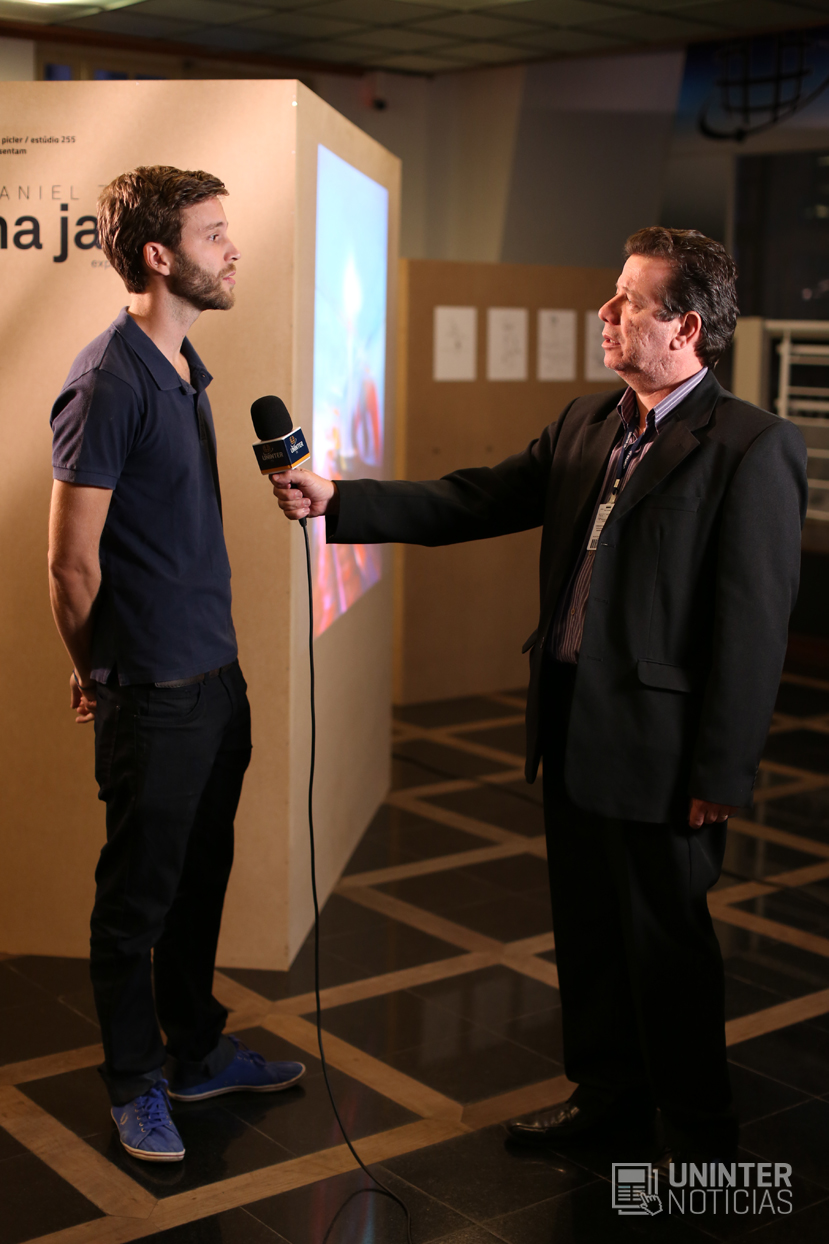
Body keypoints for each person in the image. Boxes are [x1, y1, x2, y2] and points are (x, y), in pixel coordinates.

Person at [272, 228, 807, 1163]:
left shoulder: (750, 445)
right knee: (589, 935)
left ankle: (697, 1137)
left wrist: (722, 771)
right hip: (571, 727)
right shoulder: (586, 424)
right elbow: (475, 498)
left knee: (666, 948)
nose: (606, 311)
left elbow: (753, 627)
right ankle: (606, 1099)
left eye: (629, 300)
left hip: (662, 750)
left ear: (684, 328)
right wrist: (339, 501)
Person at [48, 166, 304, 1164]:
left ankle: (195, 1050)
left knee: (200, 881)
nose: (232, 249)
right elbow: (71, 563)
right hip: (151, 691)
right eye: (212, 234)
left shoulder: (185, 367)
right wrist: (96, 668)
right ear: (159, 255)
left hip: (214, 681)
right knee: (135, 903)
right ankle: (134, 1082)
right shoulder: (108, 380)